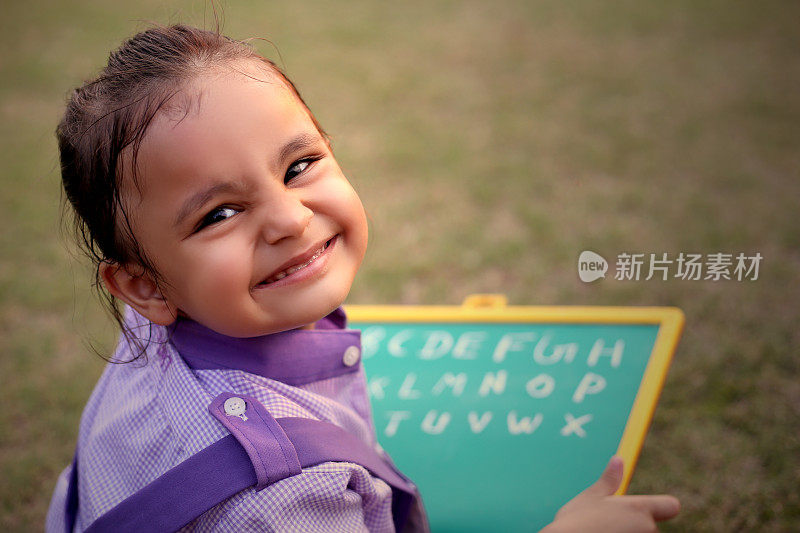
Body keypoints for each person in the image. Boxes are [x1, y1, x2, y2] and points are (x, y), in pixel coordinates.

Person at [46, 24, 680, 532]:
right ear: (144, 287)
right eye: (221, 213)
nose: (290, 219)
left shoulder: (160, 321)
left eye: (299, 166)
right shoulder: (283, 498)